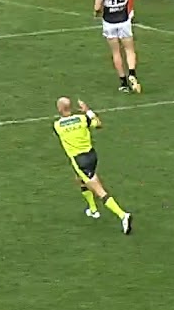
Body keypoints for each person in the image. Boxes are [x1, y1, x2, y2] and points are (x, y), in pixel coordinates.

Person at [52, 96, 133, 234]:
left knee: (99, 190)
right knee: (80, 180)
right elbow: (99, 123)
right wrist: (88, 110)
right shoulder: (83, 119)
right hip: (91, 156)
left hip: (80, 161)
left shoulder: (57, 126)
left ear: (59, 109)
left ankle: (122, 215)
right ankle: (93, 209)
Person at [95, 0, 143, 93]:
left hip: (110, 21)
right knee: (129, 49)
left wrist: (96, 12)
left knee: (116, 52)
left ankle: (123, 82)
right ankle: (132, 73)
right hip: (124, 19)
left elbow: (97, 6)